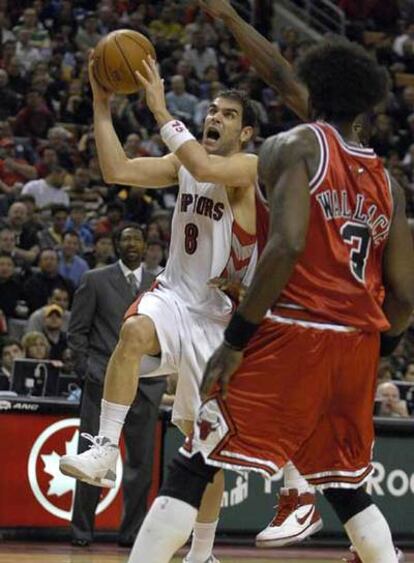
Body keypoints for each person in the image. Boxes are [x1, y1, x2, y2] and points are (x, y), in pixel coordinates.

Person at [129, 39, 414, 563]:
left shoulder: (294, 147)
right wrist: (379, 353)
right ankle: (317, 511)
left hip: (293, 331)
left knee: (196, 458)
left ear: (313, 91)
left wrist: (237, 339)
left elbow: (286, 246)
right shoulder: (390, 184)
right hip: (356, 343)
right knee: (346, 484)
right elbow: (406, 296)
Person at [59, 50, 266, 563]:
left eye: (228, 114)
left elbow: (201, 162)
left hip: (219, 317)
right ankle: (104, 450)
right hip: (174, 295)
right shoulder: (187, 162)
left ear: (246, 133)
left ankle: (202, 552)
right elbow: (117, 169)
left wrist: (157, 106)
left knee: (203, 446)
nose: (214, 117)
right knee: (131, 336)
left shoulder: (246, 166)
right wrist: (102, 105)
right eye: (213, 110)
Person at [60, 224, 166, 547]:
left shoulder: (160, 285)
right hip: (101, 381)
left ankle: (130, 533)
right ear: (116, 245)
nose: (132, 243)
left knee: (141, 465)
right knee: (91, 460)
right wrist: (87, 370)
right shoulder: (94, 279)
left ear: (147, 246)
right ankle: (81, 532)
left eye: (137, 239)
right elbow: (76, 332)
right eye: (126, 238)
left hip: (146, 386)